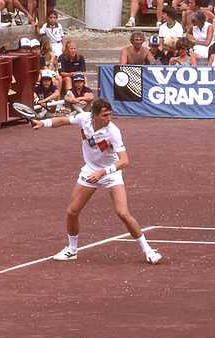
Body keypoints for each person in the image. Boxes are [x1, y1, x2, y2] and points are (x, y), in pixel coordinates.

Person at [32, 99, 162, 265]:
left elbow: (124, 161)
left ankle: (148, 250)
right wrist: (43, 123)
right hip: (90, 171)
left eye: (110, 114)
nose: (109, 118)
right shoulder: (84, 118)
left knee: (122, 213)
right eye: (105, 115)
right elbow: (63, 120)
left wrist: (103, 172)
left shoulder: (113, 131)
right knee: (72, 212)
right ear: (94, 115)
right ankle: (72, 250)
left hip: (110, 172)